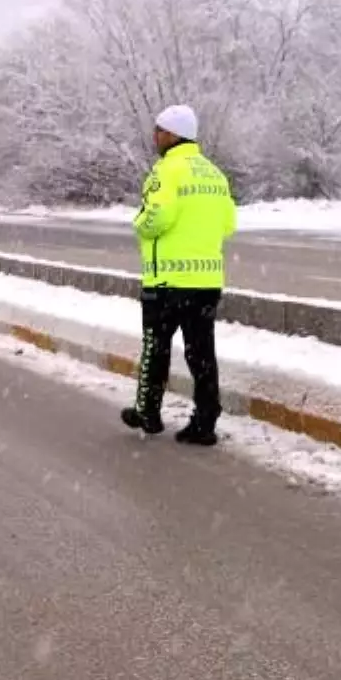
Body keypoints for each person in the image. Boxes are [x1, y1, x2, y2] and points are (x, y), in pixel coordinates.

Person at [120, 105, 236, 446]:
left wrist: (139, 224)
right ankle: (204, 422)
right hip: (206, 282)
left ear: (173, 134)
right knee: (201, 353)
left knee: (155, 347)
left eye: (159, 130)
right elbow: (228, 223)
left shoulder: (166, 171)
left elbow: (155, 218)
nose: (154, 136)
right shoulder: (214, 174)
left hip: (166, 282)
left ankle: (148, 413)